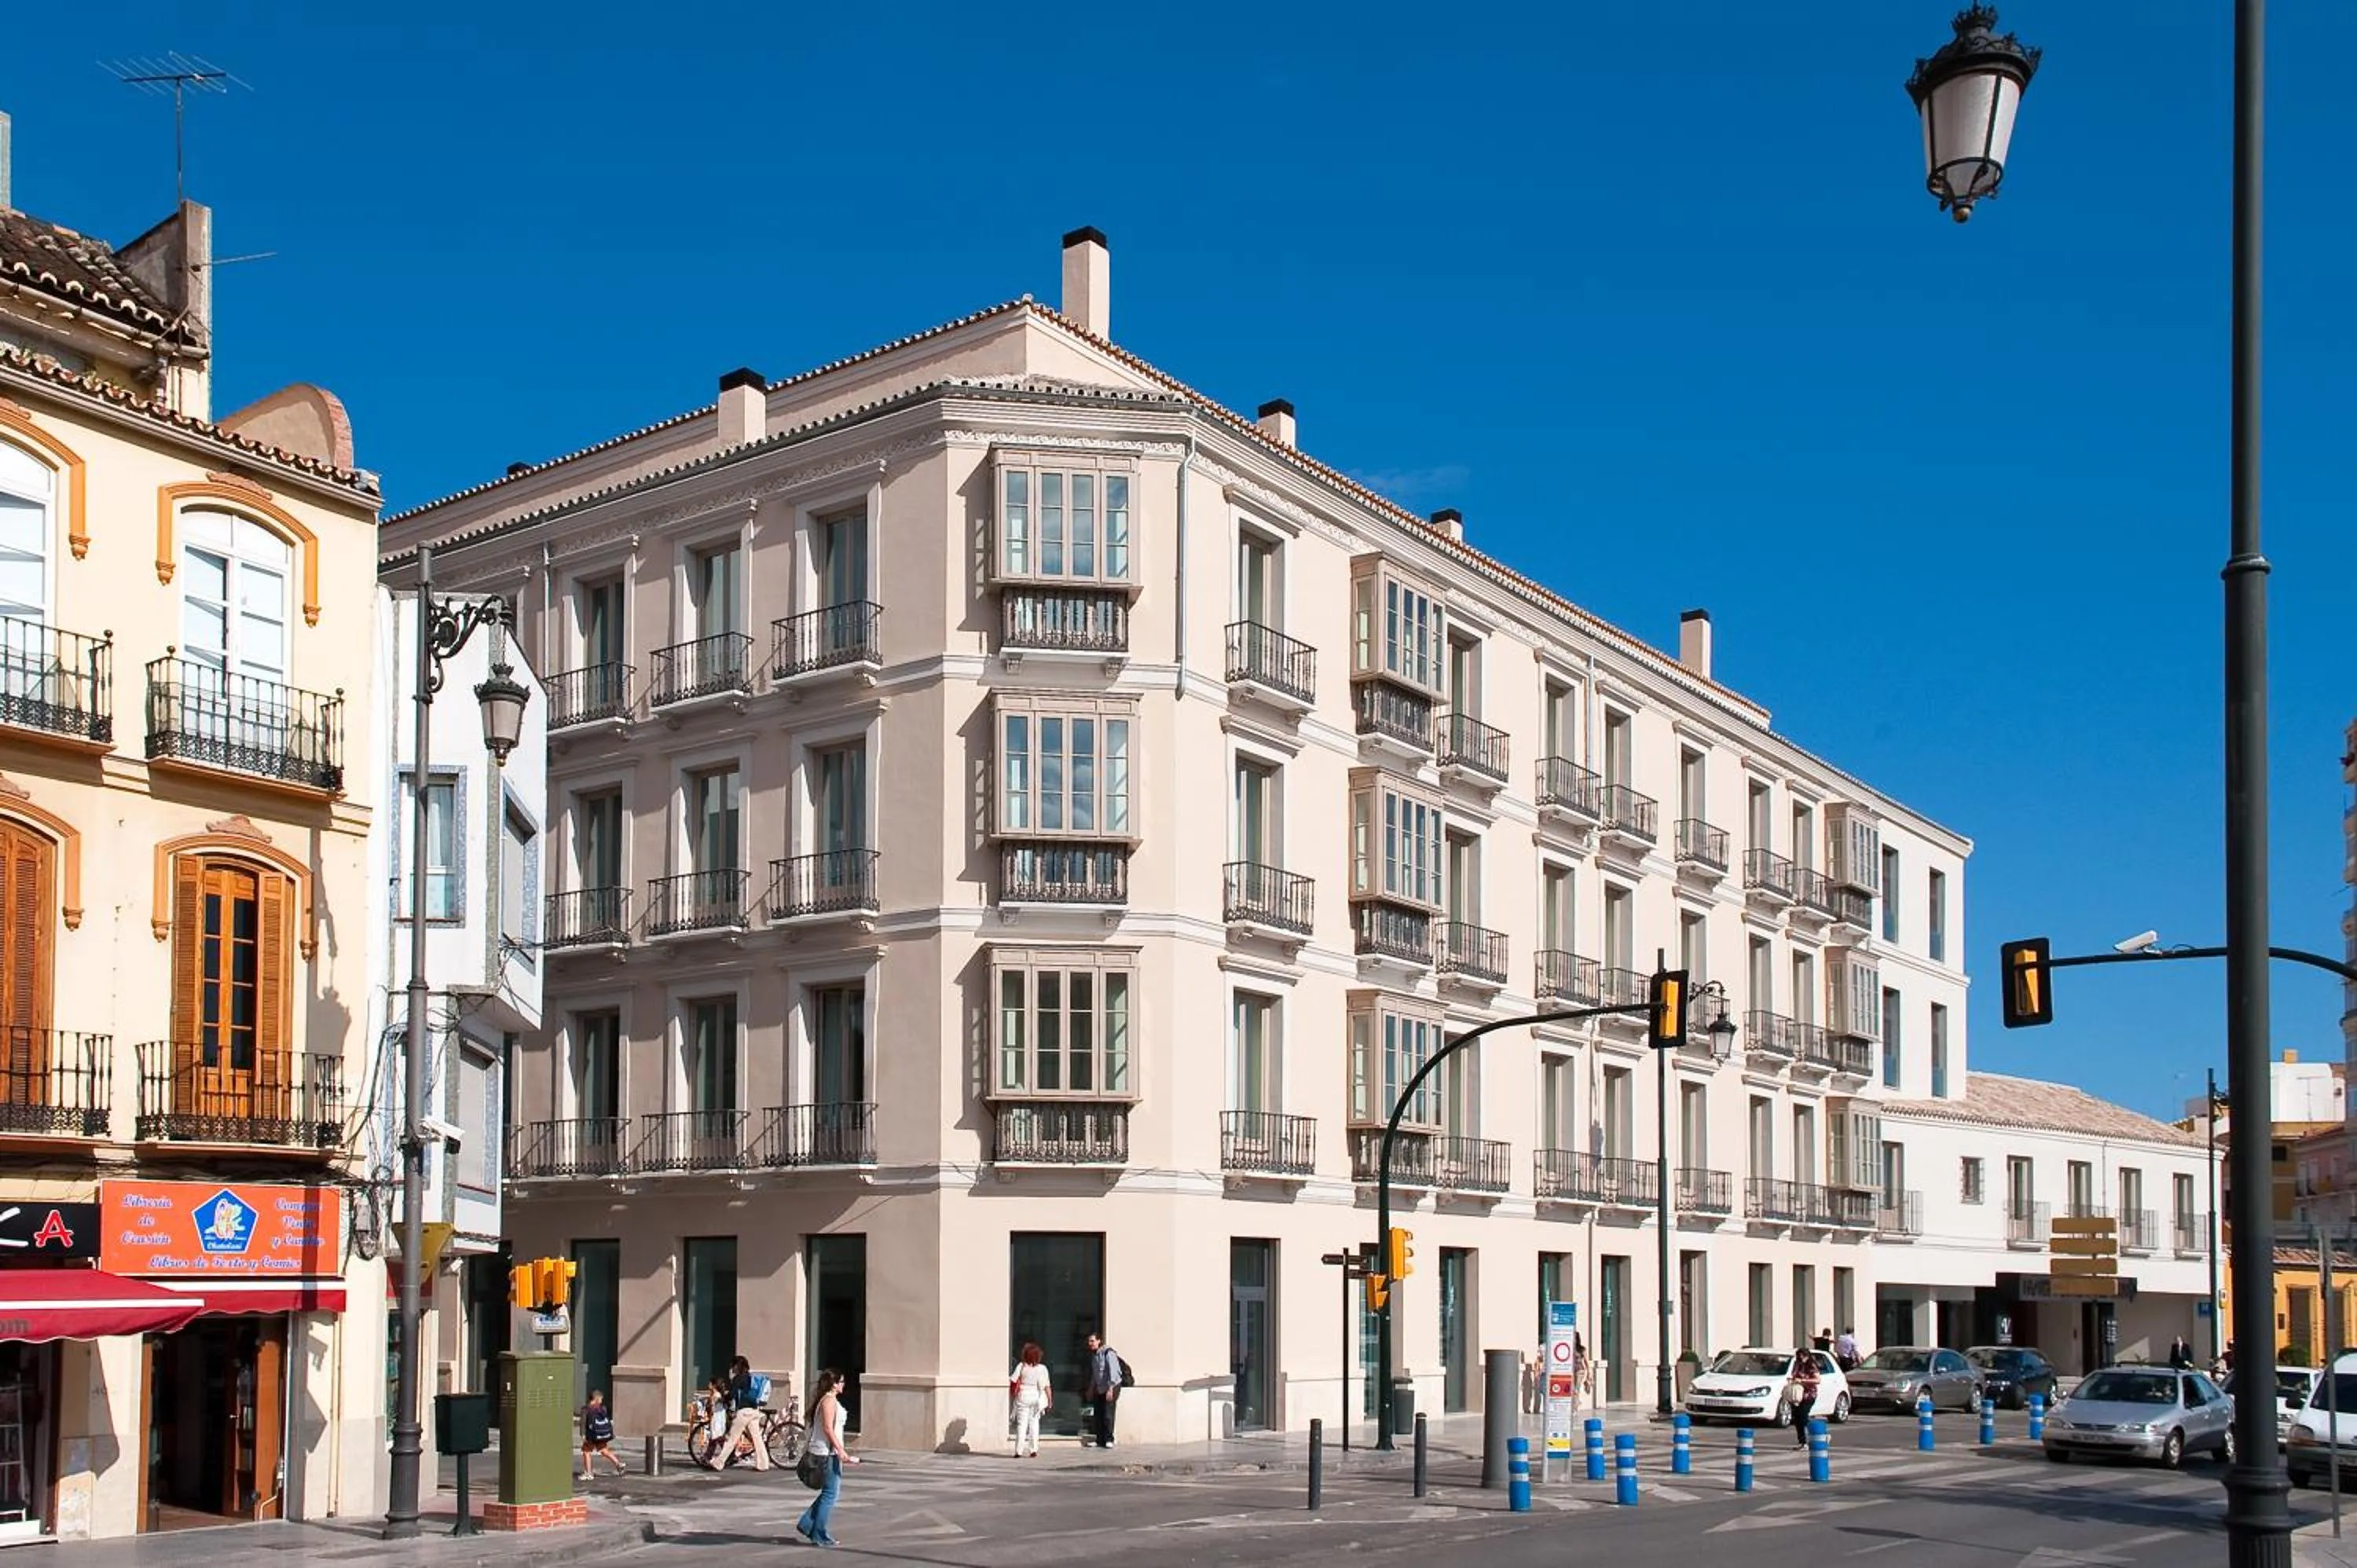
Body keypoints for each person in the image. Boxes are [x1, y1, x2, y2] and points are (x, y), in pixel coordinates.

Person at [795, 1369, 857, 1548]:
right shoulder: (829, 1401)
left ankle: (807, 1524)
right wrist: (841, 1451)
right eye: (842, 1381)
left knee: (829, 1493)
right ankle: (819, 1533)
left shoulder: (828, 1400)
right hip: (827, 1454)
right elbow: (828, 1429)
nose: (843, 1385)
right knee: (831, 1494)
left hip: (828, 1452)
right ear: (834, 1384)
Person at [720, 1356, 771, 1471]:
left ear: (737, 1366)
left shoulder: (738, 1379)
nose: (732, 1369)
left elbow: (732, 1395)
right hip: (754, 1411)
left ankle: (718, 1463)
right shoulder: (750, 1377)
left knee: (731, 1438)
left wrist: (723, 1399)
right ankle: (763, 1465)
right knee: (757, 1439)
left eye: (733, 1366)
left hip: (743, 1412)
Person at [1009, 1342, 1052, 1458]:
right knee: (1034, 1423)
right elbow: (1047, 1385)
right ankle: (1033, 1449)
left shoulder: (1021, 1366)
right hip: (1036, 1397)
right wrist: (1050, 1399)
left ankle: (1019, 1451)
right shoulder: (1042, 1368)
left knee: (1021, 1424)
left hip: (1023, 1395)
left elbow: (1013, 1380)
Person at [1084, 1331, 1124, 1449]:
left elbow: (1114, 1371)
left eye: (1092, 1341)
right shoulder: (1095, 1356)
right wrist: (1091, 1389)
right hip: (1099, 1387)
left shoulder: (1108, 1353)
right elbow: (1095, 1375)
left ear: (1099, 1341)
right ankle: (1099, 1439)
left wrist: (1111, 1388)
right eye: (1089, 1341)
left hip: (1111, 1386)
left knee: (1108, 1414)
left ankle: (1109, 1439)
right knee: (1099, 1413)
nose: (1090, 1344)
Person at [579, 1390, 625, 1479]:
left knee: (586, 1452)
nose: (601, 1401)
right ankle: (618, 1464)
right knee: (604, 1450)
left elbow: (583, 1423)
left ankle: (589, 1473)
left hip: (591, 1435)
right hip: (601, 1434)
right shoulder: (602, 1408)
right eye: (601, 1399)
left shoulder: (586, 1409)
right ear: (596, 1398)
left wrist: (583, 1434)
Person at [1789, 1348, 1821, 1449]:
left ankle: (1819, 1434)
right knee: (1797, 1418)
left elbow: (1817, 1380)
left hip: (1809, 1394)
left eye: (1803, 1356)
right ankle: (1802, 1442)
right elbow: (1794, 1375)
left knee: (1803, 1416)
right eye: (1799, 1356)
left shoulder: (1811, 1365)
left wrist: (1803, 1380)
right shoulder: (1797, 1364)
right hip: (1798, 1395)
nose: (1801, 1358)